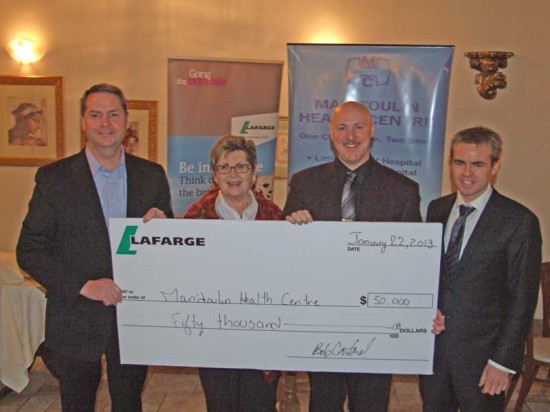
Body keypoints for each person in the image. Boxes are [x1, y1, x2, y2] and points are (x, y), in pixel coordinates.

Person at [17, 83, 173, 412]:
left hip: (134, 315)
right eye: (96, 114)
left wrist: (164, 227)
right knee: (77, 403)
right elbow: (30, 250)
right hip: (75, 316)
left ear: (126, 121)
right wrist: (84, 285)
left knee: (129, 402)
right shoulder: (54, 178)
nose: (105, 123)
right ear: (83, 122)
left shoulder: (152, 175)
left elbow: (167, 247)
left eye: (113, 114)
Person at [283, 101, 435, 411]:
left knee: (371, 402)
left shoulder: (403, 189)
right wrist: (291, 226)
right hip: (322, 318)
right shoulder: (303, 183)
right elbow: (287, 254)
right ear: (330, 133)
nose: (350, 136)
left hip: (376, 322)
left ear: (372, 131)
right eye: (342, 128)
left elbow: (413, 263)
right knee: (324, 402)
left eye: (358, 127)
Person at [419, 126, 542, 412]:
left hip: (485, 361)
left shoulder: (519, 222)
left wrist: (502, 362)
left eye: (477, 164)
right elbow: (431, 278)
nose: (466, 173)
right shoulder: (437, 210)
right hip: (435, 356)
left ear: (494, 167)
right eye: (459, 162)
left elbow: (523, 300)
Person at [184, 135, 281, 411]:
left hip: (262, 335)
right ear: (215, 175)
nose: (233, 175)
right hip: (215, 338)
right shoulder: (196, 218)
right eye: (224, 167)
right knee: (220, 404)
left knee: (260, 405)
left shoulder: (275, 216)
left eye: (241, 167)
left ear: (254, 173)